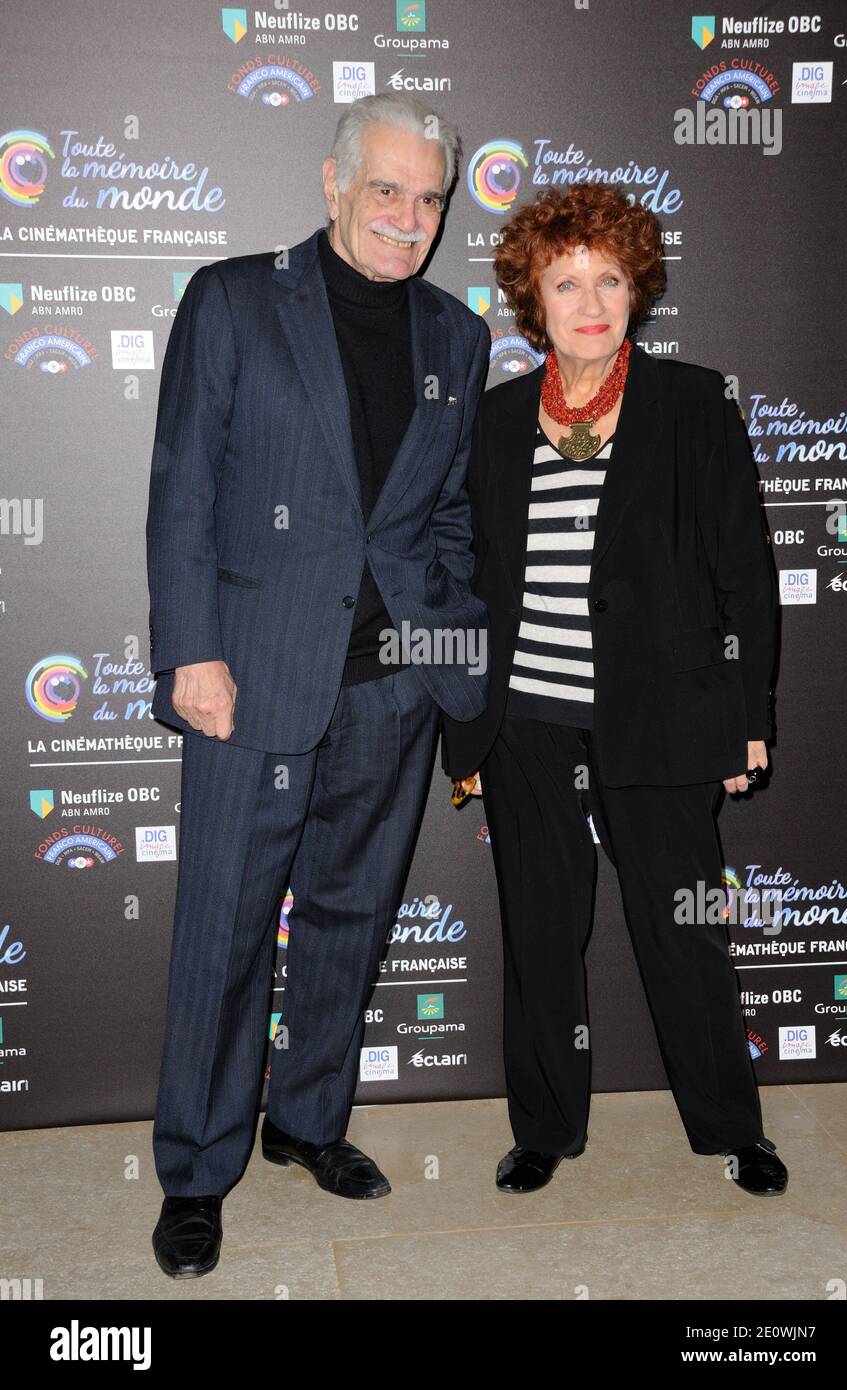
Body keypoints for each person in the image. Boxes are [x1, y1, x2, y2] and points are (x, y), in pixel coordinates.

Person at [145, 92, 491, 1277]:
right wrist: (190, 652)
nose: (407, 216)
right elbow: (183, 487)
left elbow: (442, 528)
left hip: (388, 694)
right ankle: (196, 1171)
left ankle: (307, 1120)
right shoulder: (235, 299)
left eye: (429, 197)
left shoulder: (455, 333)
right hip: (249, 685)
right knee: (225, 937)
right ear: (332, 183)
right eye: (385, 189)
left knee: (349, 925)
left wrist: (450, 682)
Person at [441, 183, 787, 1197]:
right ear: (531, 300)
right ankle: (543, 1128)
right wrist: (467, 726)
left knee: (681, 930)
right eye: (564, 282)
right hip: (527, 724)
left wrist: (746, 718)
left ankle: (730, 1127)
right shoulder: (496, 421)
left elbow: (744, 571)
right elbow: (467, 577)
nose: (588, 302)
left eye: (608, 279)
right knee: (540, 935)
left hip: (662, 718)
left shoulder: (692, 403)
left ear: (634, 289)